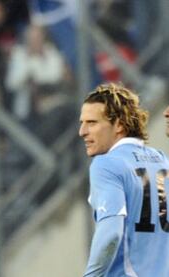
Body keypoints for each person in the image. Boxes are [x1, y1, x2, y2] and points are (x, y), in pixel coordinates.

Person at [79, 83, 169, 276]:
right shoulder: (163, 161)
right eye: (82, 122)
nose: (82, 131)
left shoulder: (106, 164)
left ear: (119, 125)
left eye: (92, 122)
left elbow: (111, 234)